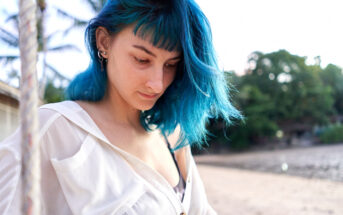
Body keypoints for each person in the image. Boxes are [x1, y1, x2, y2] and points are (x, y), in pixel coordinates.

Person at [0, 0, 241, 214]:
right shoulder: (53, 129)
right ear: (104, 42)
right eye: (142, 59)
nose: (157, 83)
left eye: (171, 64)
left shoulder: (172, 135)